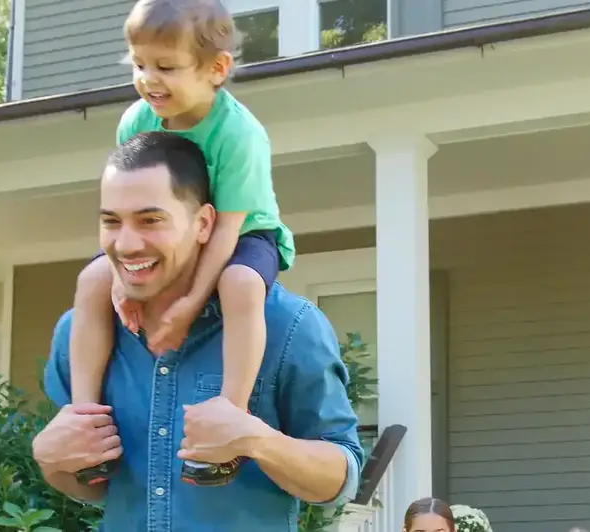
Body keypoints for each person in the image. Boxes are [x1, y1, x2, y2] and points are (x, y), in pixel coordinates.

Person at [31, 132, 363, 530]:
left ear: (204, 223)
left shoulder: (286, 325)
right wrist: (51, 460)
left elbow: (342, 478)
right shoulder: (82, 333)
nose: (127, 243)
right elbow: (92, 487)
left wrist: (258, 441)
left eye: (150, 220)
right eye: (111, 222)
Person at [68, 0, 296, 486]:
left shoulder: (239, 134)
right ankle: (85, 423)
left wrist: (190, 301)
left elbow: (228, 229)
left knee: (239, 284)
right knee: (90, 280)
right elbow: (121, 207)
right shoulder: (136, 120)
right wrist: (121, 284)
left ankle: (229, 421)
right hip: (161, 232)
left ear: (217, 69)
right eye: (140, 65)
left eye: (166, 67)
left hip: (241, 231)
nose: (149, 79)